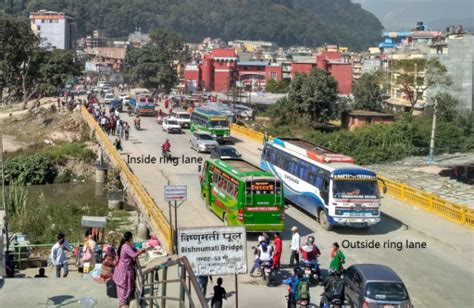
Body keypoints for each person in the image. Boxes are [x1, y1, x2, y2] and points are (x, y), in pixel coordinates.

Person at [113, 231, 146, 308]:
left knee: (125, 286)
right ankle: (123, 304)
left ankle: (123, 302)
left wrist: (139, 249)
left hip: (122, 269)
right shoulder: (126, 247)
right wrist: (141, 251)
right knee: (125, 286)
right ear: (130, 238)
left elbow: (134, 250)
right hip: (124, 270)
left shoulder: (125, 245)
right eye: (132, 238)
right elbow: (133, 255)